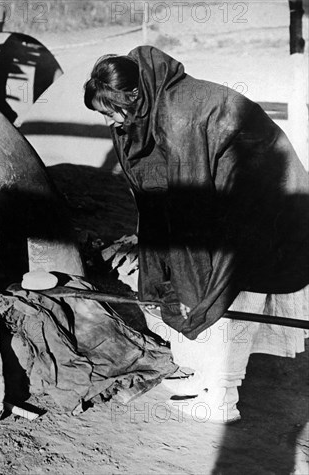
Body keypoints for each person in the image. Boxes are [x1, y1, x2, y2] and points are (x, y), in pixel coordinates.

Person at [84, 46, 309, 423]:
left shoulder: (179, 114)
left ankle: (222, 397)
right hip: (237, 193)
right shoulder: (159, 96)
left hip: (267, 202)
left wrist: (190, 285)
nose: (110, 123)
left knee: (225, 290)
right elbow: (161, 187)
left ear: (133, 96)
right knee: (208, 284)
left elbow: (191, 206)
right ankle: (207, 379)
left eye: (111, 112)